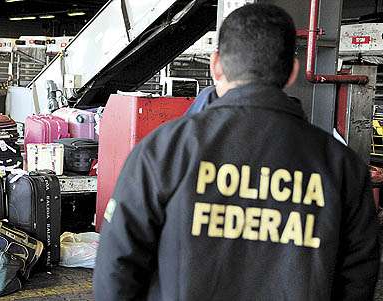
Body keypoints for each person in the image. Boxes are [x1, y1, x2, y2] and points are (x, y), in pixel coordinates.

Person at [94, 4, 380, 301]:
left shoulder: (163, 151)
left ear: (215, 65)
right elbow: (358, 280)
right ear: (293, 72)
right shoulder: (342, 167)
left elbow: (116, 269)